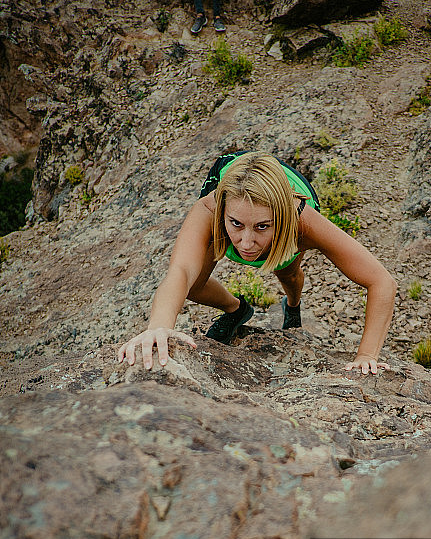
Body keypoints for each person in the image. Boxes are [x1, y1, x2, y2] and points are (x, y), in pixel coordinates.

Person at [118, 151, 397, 375]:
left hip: (290, 211)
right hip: (238, 190)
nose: (246, 243)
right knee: (191, 285)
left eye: (263, 227)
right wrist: (158, 326)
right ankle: (237, 310)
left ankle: (292, 306)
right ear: (223, 212)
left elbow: (381, 281)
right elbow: (179, 271)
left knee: (287, 273)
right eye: (236, 224)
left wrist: (367, 355)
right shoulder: (210, 209)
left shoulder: (304, 222)